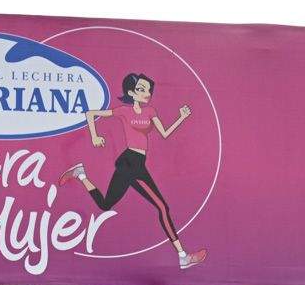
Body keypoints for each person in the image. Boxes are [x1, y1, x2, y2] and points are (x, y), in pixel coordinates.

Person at [57, 72, 206, 269]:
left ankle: (81, 174)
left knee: (105, 204)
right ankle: (182, 256)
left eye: (148, 90)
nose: (147, 93)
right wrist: (95, 136)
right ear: (131, 92)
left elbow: (165, 133)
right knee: (162, 207)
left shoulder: (151, 111)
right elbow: (90, 114)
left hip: (135, 163)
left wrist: (181, 117)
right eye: (141, 89)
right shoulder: (123, 111)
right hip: (130, 162)